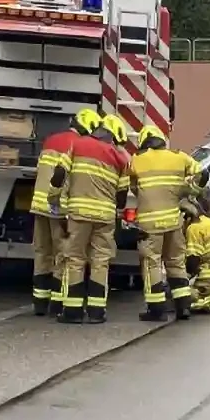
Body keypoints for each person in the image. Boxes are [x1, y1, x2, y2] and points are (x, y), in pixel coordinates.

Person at [51, 114, 131, 324]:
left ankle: (73, 312)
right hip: (105, 216)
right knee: (100, 261)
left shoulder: (78, 145)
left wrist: (54, 198)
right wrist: (115, 209)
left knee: (75, 259)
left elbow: (59, 173)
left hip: (79, 213)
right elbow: (122, 195)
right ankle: (96, 312)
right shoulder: (120, 157)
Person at [29, 108, 102, 316]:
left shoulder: (51, 139)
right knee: (63, 253)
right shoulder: (77, 145)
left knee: (42, 252)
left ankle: (39, 303)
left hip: (39, 205)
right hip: (58, 207)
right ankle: (57, 303)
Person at [129, 125, 206, 322]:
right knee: (175, 263)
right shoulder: (178, 156)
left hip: (149, 225)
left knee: (151, 264)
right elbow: (202, 173)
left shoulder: (138, 160)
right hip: (174, 221)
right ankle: (183, 308)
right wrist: (190, 191)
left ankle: (156, 310)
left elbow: (133, 187)